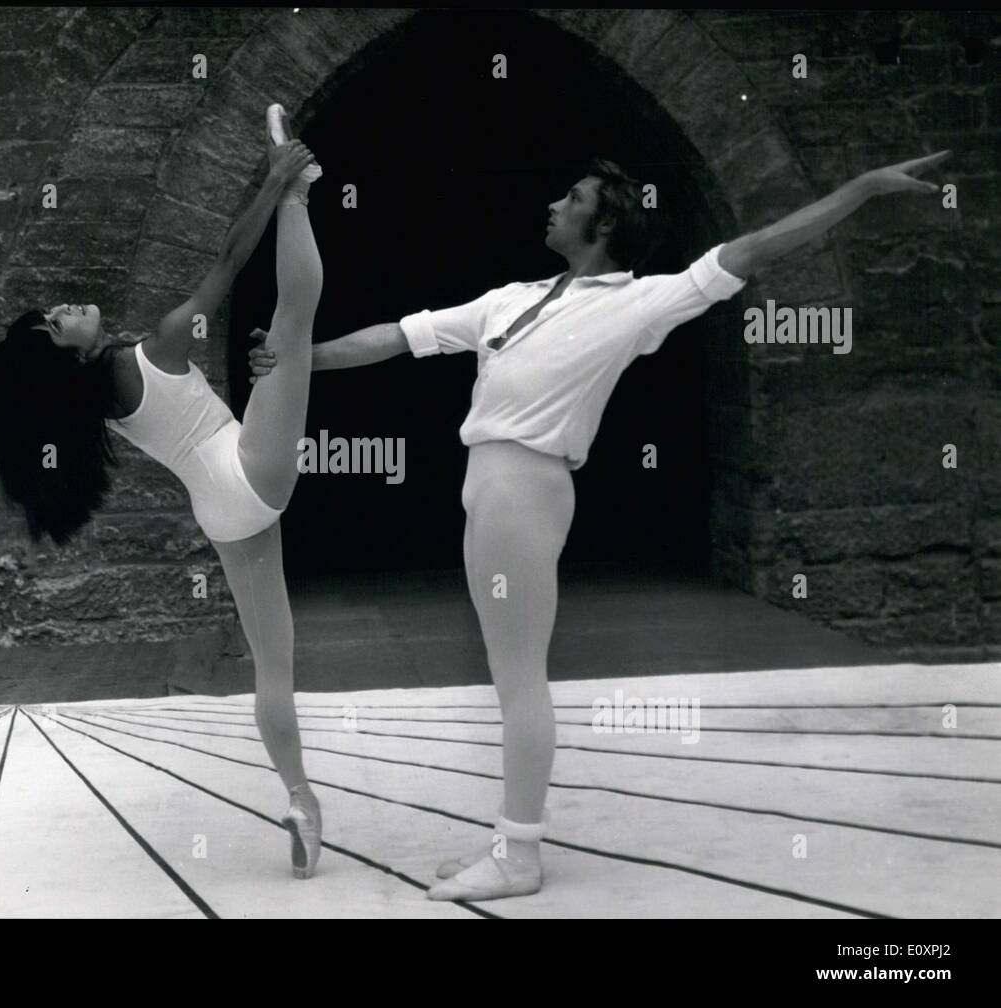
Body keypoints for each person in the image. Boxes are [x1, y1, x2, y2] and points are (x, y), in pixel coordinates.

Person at [248, 149, 952, 901]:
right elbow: (393, 336)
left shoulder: (640, 302)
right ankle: (510, 837)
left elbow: (755, 248)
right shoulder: (508, 299)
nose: (554, 203)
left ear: (605, 221)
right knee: (507, 675)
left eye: (573, 196)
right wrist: (293, 362)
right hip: (489, 485)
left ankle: (520, 856)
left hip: (526, 487)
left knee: (519, 680)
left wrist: (863, 186)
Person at [0, 105, 330, 880]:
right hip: (248, 469)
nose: (69, 307)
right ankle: (304, 184)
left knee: (275, 665)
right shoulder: (151, 350)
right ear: (73, 354)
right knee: (292, 323)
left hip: (223, 509)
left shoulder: (88, 396)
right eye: (61, 321)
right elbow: (227, 260)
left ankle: (304, 800)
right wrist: (277, 185)